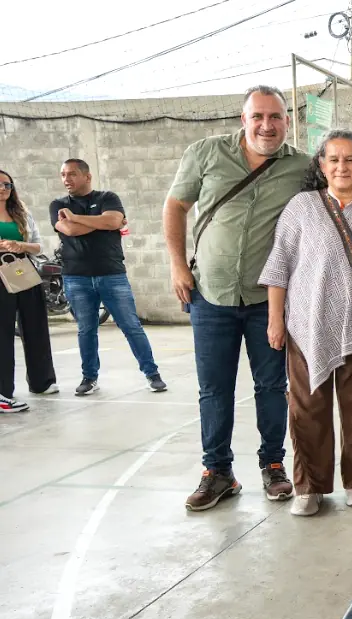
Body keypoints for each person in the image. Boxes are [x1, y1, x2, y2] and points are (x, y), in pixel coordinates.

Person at [165, 85, 309, 512]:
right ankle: (218, 472)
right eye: (258, 116)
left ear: (287, 121)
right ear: (243, 119)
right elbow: (175, 207)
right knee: (214, 388)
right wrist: (177, 265)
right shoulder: (206, 153)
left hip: (269, 300)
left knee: (271, 385)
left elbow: (342, 189)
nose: (267, 125)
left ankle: (273, 465)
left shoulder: (301, 166)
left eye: (276, 117)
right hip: (209, 294)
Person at [260, 131, 352, 517]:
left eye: (350, 159)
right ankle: (309, 486)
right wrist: (275, 320)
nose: (342, 167)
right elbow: (279, 265)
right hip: (307, 322)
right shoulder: (302, 207)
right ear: (321, 165)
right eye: (333, 159)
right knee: (306, 409)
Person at [51, 159, 165, 397]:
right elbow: (70, 230)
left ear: (87, 176)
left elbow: (113, 221)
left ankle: (152, 374)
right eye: (63, 175)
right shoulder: (58, 205)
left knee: (131, 326)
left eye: (72, 174)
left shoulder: (107, 198)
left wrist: (80, 218)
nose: (66, 179)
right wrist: (103, 223)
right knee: (86, 329)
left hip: (111, 274)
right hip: (76, 277)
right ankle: (89, 378)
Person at [0, 169, 56, 412]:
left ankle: (41, 382)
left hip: (24, 270)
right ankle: (3, 392)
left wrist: (19, 244)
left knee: (35, 326)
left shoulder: (21, 212)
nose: (3, 189)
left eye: (7, 185)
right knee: (2, 334)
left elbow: (37, 245)